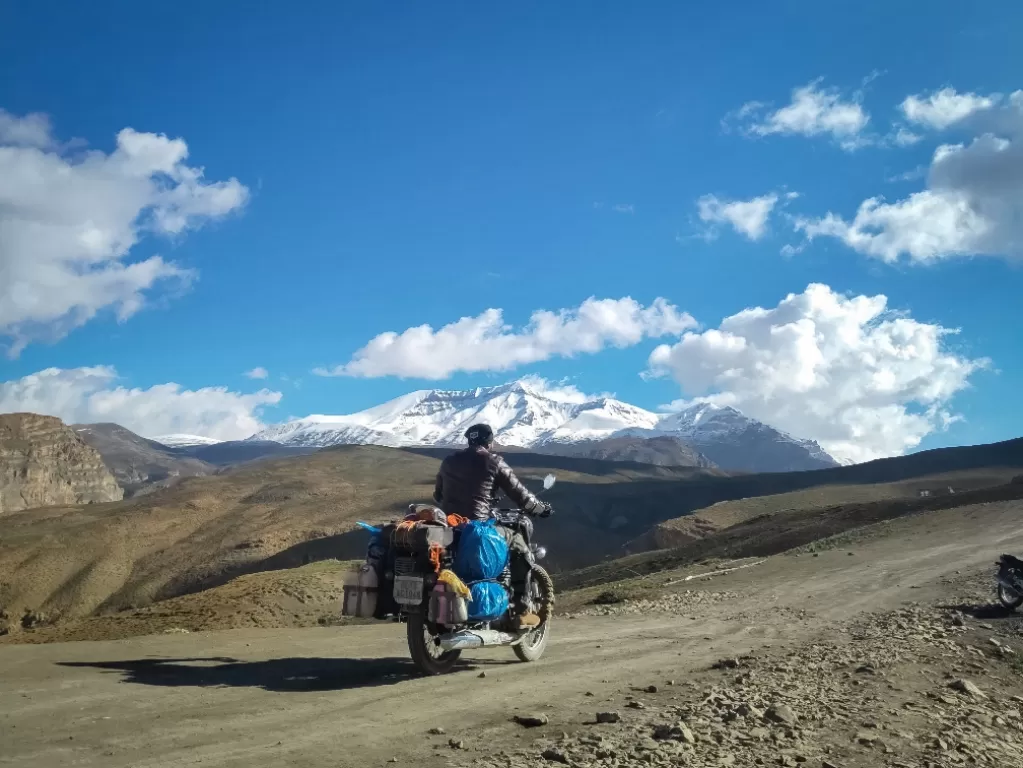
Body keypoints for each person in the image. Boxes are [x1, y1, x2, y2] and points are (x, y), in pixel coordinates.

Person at [433, 423, 553, 629]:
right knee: (519, 545)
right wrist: (541, 509)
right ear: (489, 442)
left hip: (450, 528)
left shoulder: (449, 461)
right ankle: (523, 610)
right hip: (478, 528)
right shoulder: (494, 461)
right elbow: (521, 495)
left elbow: (438, 494)